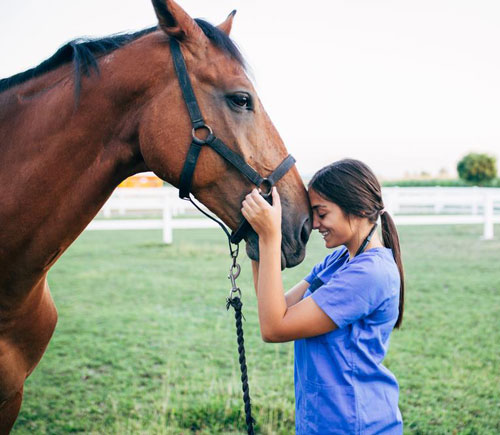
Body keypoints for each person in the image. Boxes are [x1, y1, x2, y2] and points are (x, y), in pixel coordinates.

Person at [241, 158, 404, 434]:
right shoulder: (339, 261)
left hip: (355, 424)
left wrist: (271, 237)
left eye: (322, 213)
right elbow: (274, 306)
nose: (315, 224)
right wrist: (257, 237)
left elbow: (274, 328)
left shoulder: (371, 273)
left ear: (360, 209)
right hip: (322, 422)